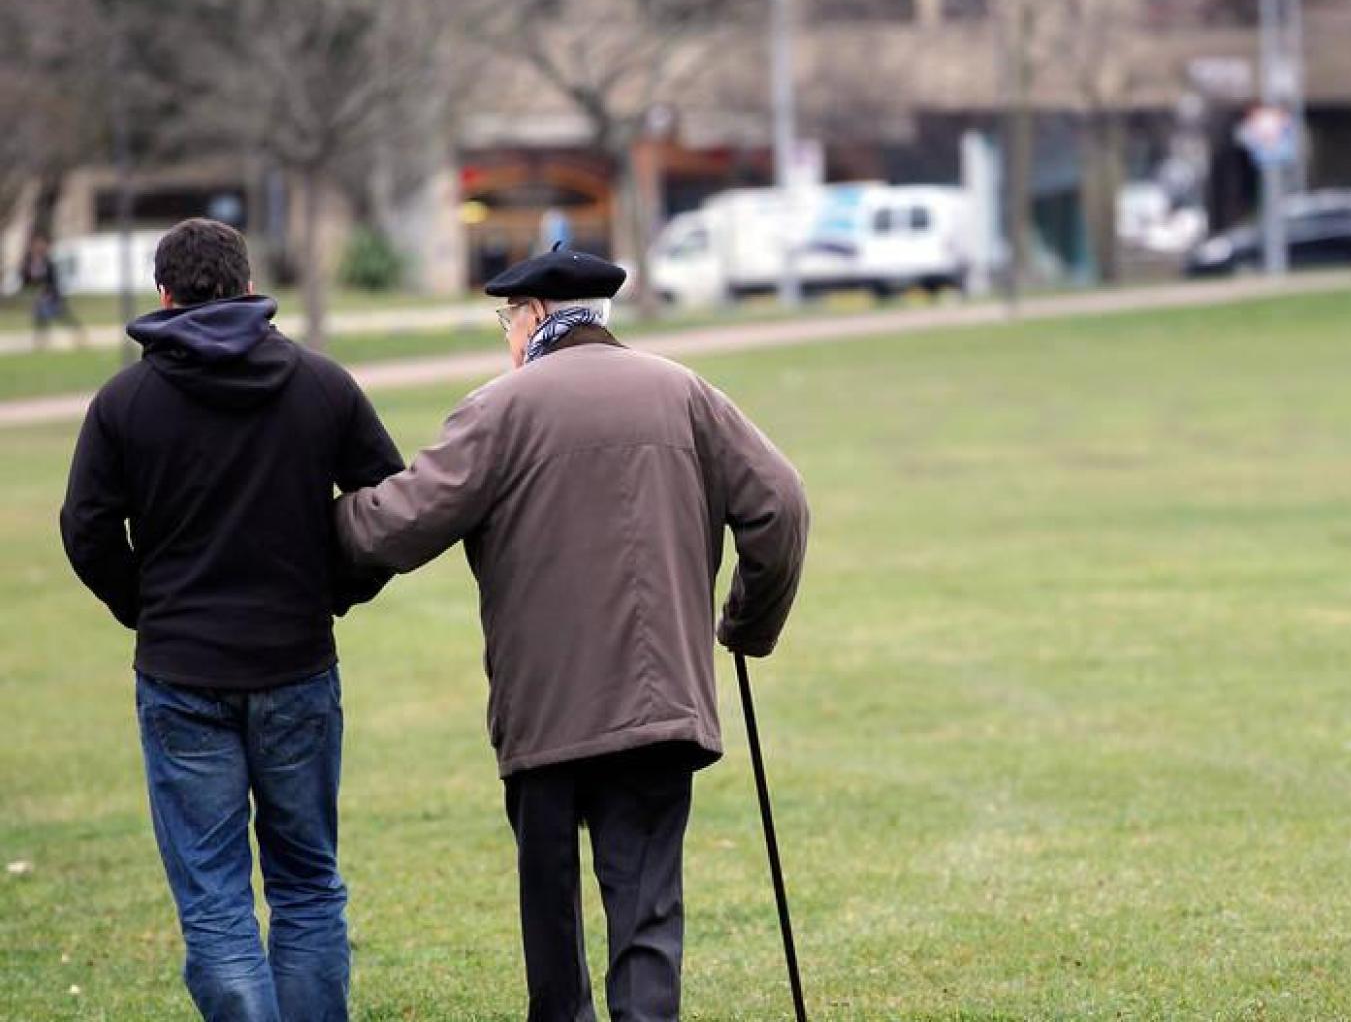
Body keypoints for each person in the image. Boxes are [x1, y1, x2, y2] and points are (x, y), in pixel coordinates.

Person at [334, 244, 810, 1022]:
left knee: (552, 927)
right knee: (648, 915)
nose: (506, 334)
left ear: (535, 318)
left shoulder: (499, 407)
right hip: (662, 707)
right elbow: (781, 504)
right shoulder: (683, 392)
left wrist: (302, 520)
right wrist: (748, 623)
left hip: (546, 712)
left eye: (506, 320)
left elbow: (395, 525)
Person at [59, 217, 402, 1022]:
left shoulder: (125, 401)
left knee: (214, 900)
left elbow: (86, 529)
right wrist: (337, 587)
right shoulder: (321, 384)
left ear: (164, 294)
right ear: (250, 286)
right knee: (307, 884)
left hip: (182, 673)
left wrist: (145, 606)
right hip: (296, 668)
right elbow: (394, 507)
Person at [20, 233, 87, 349]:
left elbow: (53, 280)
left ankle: (77, 330)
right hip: (39, 297)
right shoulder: (29, 261)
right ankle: (40, 341)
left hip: (51, 295)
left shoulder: (47, 262)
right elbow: (25, 278)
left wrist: (49, 292)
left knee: (61, 315)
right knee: (40, 318)